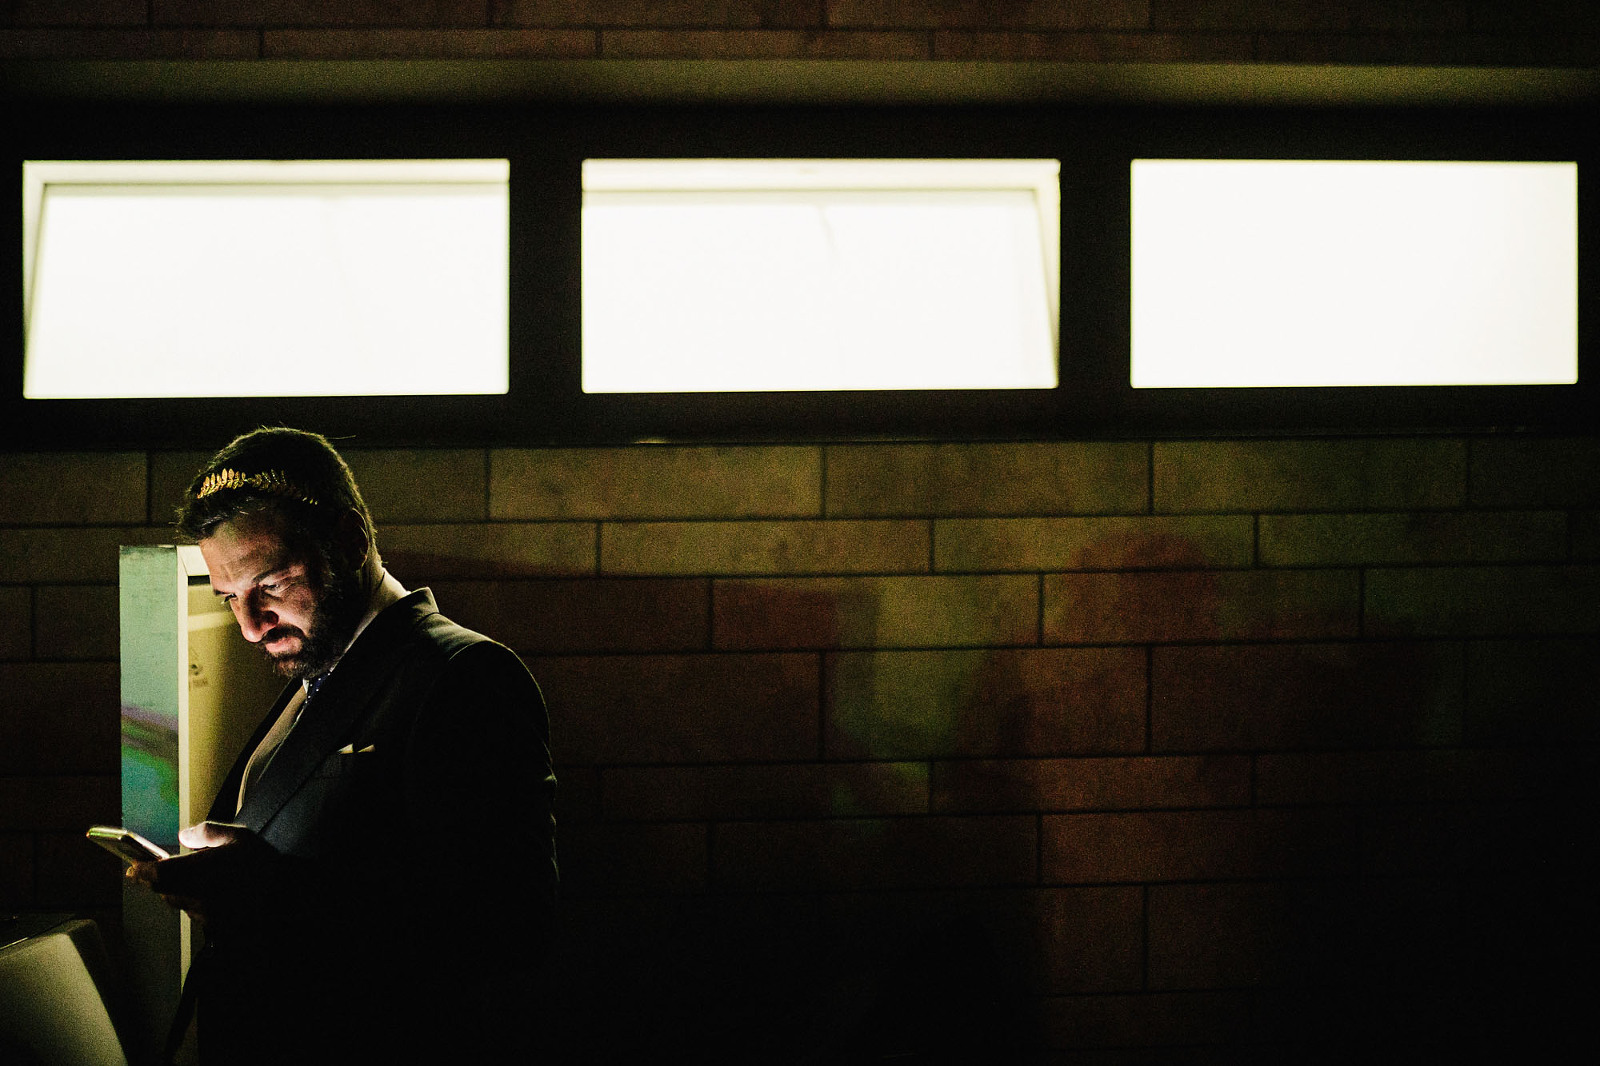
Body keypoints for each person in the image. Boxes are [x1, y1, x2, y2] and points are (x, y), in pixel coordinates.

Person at [127, 426, 557, 1064]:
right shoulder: (320, 672)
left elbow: (508, 929)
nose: (248, 627)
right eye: (228, 599)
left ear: (351, 541)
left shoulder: (462, 675)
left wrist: (267, 894)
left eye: (270, 586)